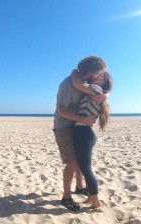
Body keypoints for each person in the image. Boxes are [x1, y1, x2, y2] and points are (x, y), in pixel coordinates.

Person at [53, 56, 108, 211]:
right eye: (98, 73)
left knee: (78, 159)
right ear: (91, 73)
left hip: (77, 126)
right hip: (63, 126)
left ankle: (79, 187)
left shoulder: (86, 84)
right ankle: (66, 197)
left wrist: (105, 95)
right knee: (71, 162)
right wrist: (82, 119)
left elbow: (105, 90)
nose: (98, 76)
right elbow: (61, 110)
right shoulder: (68, 84)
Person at [73, 71, 113, 209]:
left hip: (84, 133)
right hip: (83, 132)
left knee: (86, 169)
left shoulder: (96, 90)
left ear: (103, 82)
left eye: (100, 76)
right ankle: (90, 196)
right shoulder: (97, 91)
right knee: (83, 166)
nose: (96, 75)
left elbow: (76, 83)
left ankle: (95, 200)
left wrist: (74, 72)